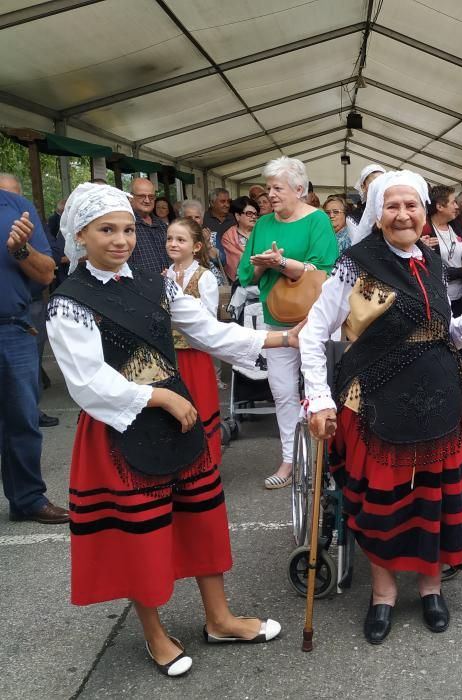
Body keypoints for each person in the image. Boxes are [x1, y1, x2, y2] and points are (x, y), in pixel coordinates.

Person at [48, 183, 305, 678]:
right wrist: (160, 396)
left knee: (200, 517)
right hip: (120, 429)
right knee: (141, 534)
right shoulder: (69, 302)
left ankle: (220, 618)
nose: (120, 239)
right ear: (81, 235)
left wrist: (281, 337)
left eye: (126, 229)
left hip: (175, 419)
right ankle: (154, 631)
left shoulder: (156, 282)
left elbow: (207, 330)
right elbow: (87, 382)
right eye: (106, 230)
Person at [301, 169, 462, 645]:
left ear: (425, 212)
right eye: (393, 206)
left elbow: (438, 328)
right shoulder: (355, 263)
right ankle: (383, 592)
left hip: (439, 400)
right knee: (385, 503)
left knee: (434, 496)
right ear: (378, 212)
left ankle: (430, 585)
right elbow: (312, 332)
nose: (404, 214)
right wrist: (320, 399)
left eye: (412, 206)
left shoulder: (430, 259)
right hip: (375, 401)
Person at [237, 157, 338, 489]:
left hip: (315, 320)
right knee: (282, 392)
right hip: (275, 319)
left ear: (299, 189)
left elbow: (323, 269)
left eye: (277, 188)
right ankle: (291, 459)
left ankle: (325, 458)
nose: (270, 194)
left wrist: (281, 262)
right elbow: (245, 275)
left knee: (320, 390)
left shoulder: (318, 220)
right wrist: (265, 265)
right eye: (268, 188)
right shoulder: (264, 224)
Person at [1, 187, 69, 524]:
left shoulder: (17, 207)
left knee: (22, 421)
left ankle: (27, 499)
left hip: (11, 328)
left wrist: (20, 249)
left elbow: (46, 274)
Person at [166, 217, 224, 464]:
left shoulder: (204, 277)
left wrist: (179, 295)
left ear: (196, 246)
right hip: (170, 352)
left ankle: (206, 460)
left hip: (195, 353)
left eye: (181, 239)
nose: (173, 244)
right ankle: (180, 459)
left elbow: (208, 317)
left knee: (198, 402)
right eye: (169, 238)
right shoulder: (166, 273)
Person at [421, 184, 462, 316]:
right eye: (453, 202)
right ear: (439, 206)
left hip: (460, 297)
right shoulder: (424, 231)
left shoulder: (456, 225)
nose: (457, 206)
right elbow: (431, 271)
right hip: (437, 299)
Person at [127, 177, 170, 273]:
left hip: (167, 284)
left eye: (151, 197)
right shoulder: (126, 226)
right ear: (130, 198)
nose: (147, 200)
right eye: (142, 196)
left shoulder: (162, 226)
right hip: (138, 286)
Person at [221, 196, 259, 280]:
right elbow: (234, 259)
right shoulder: (228, 236)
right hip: (241, 280)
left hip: (264, 277)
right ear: (238, 216)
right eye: (249, 213)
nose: (254, 217)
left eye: (255, 214)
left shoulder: (262, 232)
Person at [347, 164, 386, 229]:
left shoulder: (394, 208)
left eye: (383, 182)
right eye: (374, 184)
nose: (380, 187)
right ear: (363, 187)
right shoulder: (354, 217)